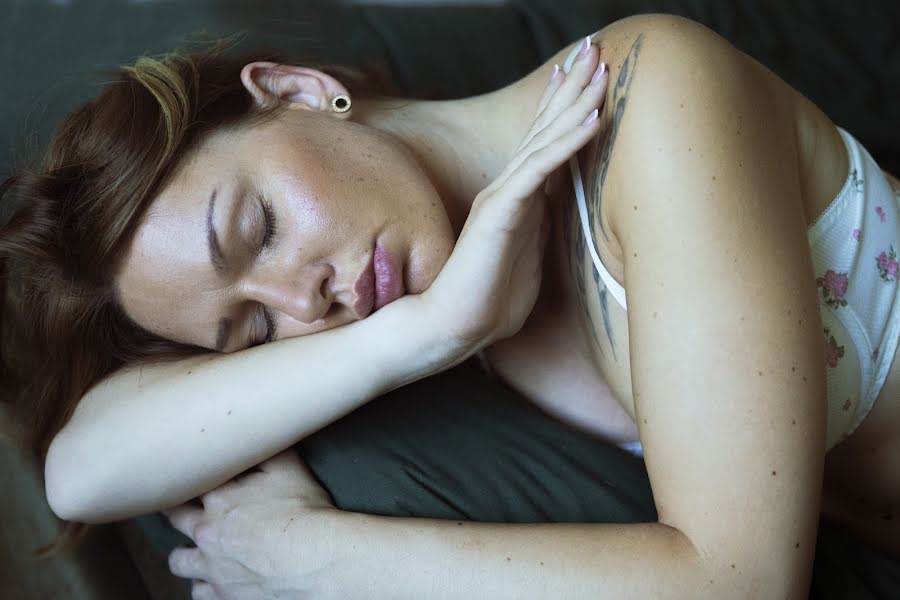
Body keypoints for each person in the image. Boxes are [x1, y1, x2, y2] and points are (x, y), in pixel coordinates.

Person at [2, 11, 898, 598]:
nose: (304, 302)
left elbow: (743, 581)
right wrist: (424, 335)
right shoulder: (427, 304)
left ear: (299, 93)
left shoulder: (654, 100)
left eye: (261, 226)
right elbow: (83, 468)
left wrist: (320, 558)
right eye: (256, 330)